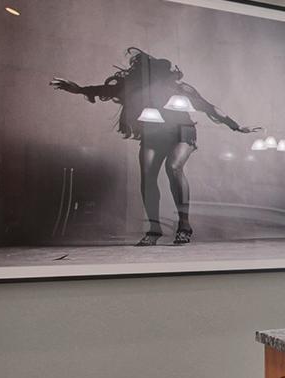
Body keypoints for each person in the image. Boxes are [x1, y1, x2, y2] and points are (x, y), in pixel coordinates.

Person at [50, 48, 260, 245]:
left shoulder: (180, 89)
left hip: (182, 131)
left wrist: (236, 126)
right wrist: (77, 89)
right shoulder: (134, 87)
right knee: (148, 176)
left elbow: (209, 107)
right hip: (154, 133)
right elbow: (103, 89)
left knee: (173, 167)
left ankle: (184, 225)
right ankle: (154, 229)